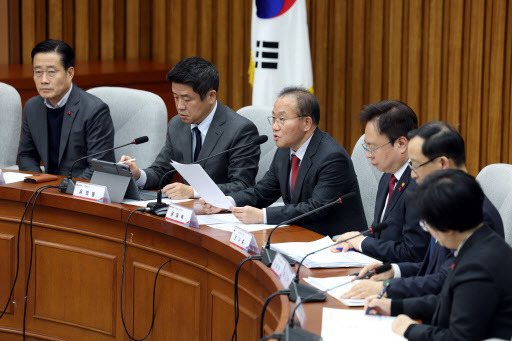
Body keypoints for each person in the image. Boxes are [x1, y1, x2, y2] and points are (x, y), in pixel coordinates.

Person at [342, 121, 504, 299]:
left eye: (416, 165)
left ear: (442, 163)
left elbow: (446, 281)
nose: (412, 174)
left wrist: (387, 288)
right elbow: (433, 267)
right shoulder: (447, 202)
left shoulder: (476, 214)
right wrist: (393, 270)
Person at [365, 170, 512, 341]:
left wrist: (409, 329)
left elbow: (457, 338)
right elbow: (447, 301)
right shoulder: (480, 239)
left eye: (427, 225)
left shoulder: (478, 267)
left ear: (448, 228)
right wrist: (394, 306)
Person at [201, 87, 366, 236]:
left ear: (307, 123)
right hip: (299, 234)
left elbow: (316, 208)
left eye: (282, 119)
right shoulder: (285, 150)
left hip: (336, 243)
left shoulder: (332, 158)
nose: (274, 126)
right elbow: (262, 192)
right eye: (273, 118)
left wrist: (262, 216)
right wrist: (226, 203)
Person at [121, 57, 260, 199]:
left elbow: (242, 186)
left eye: (187, 99)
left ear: (211, 96)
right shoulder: (177, 125)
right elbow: (160, 172)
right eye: (176, 97)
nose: (180, 106)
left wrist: (193, 192)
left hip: (225, 214)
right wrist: (138, 175)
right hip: (188, 213)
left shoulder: (240, 130)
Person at [332, 101, 430, 262]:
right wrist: (358, 237)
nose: (368, 155)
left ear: (401, 144)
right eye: (366, 147)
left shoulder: (418, 185)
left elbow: (413, 253)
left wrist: (363, 243)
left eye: (373, 147)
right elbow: (383, 233)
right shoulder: (388, 176)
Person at [17, 39, 115, 178]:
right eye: (38, 72)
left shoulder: (94, 110)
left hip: (80, 191)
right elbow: (27, 155)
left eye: (51, 72)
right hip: (46, 190)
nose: (43, 80)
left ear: (70, 73)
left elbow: (100, 166)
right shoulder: (32, 107)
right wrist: (39, 183)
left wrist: (62, 190)